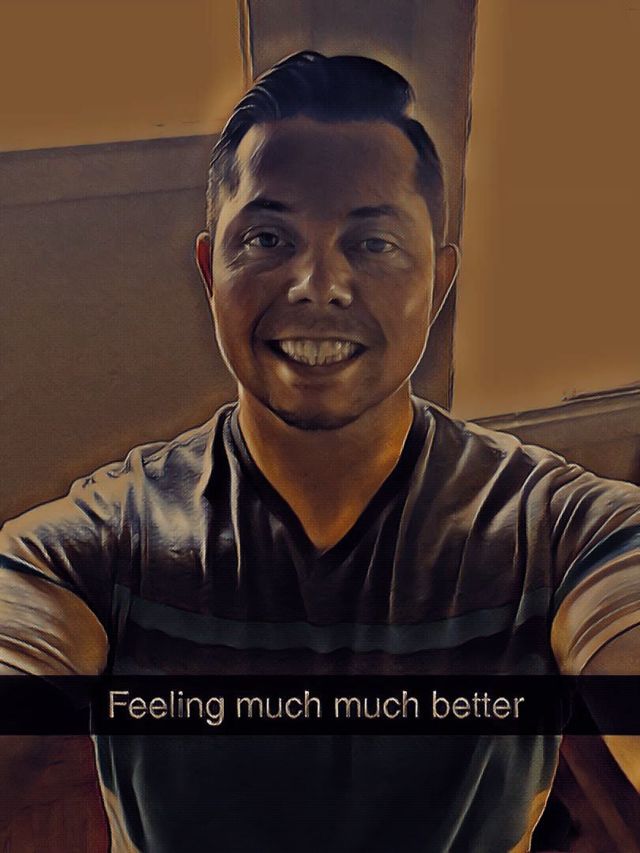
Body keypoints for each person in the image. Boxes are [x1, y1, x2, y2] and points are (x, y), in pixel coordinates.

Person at [1, 51, 640, 853]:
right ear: (210, 270)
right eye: (268, 238)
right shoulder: (99, 542)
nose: (318, 284)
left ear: (439, 281)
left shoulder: (559, 528)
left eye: (373, 243)